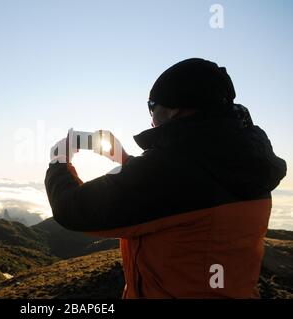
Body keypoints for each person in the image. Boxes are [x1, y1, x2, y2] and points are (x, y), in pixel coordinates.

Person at [44, 58, 287, 298]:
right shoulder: (246, 160)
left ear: (173, 109)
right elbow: (179, 194)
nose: (150, 116)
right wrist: (127, 161)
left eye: (152, 105)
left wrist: (58, 161)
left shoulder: (170, 169)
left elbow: (72, 209)